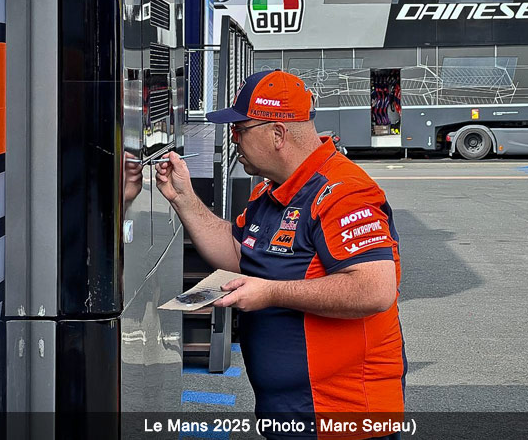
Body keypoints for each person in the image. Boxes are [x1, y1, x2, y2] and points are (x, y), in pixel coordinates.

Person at [156, 70, 406, 438]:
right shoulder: (270, 191)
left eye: (240, 129)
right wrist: (184, 198)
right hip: (291, 415)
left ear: (277, 134)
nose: (233, 139)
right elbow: (238, 253)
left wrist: (270, 292)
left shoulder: (343, 192)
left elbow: (374, 290)